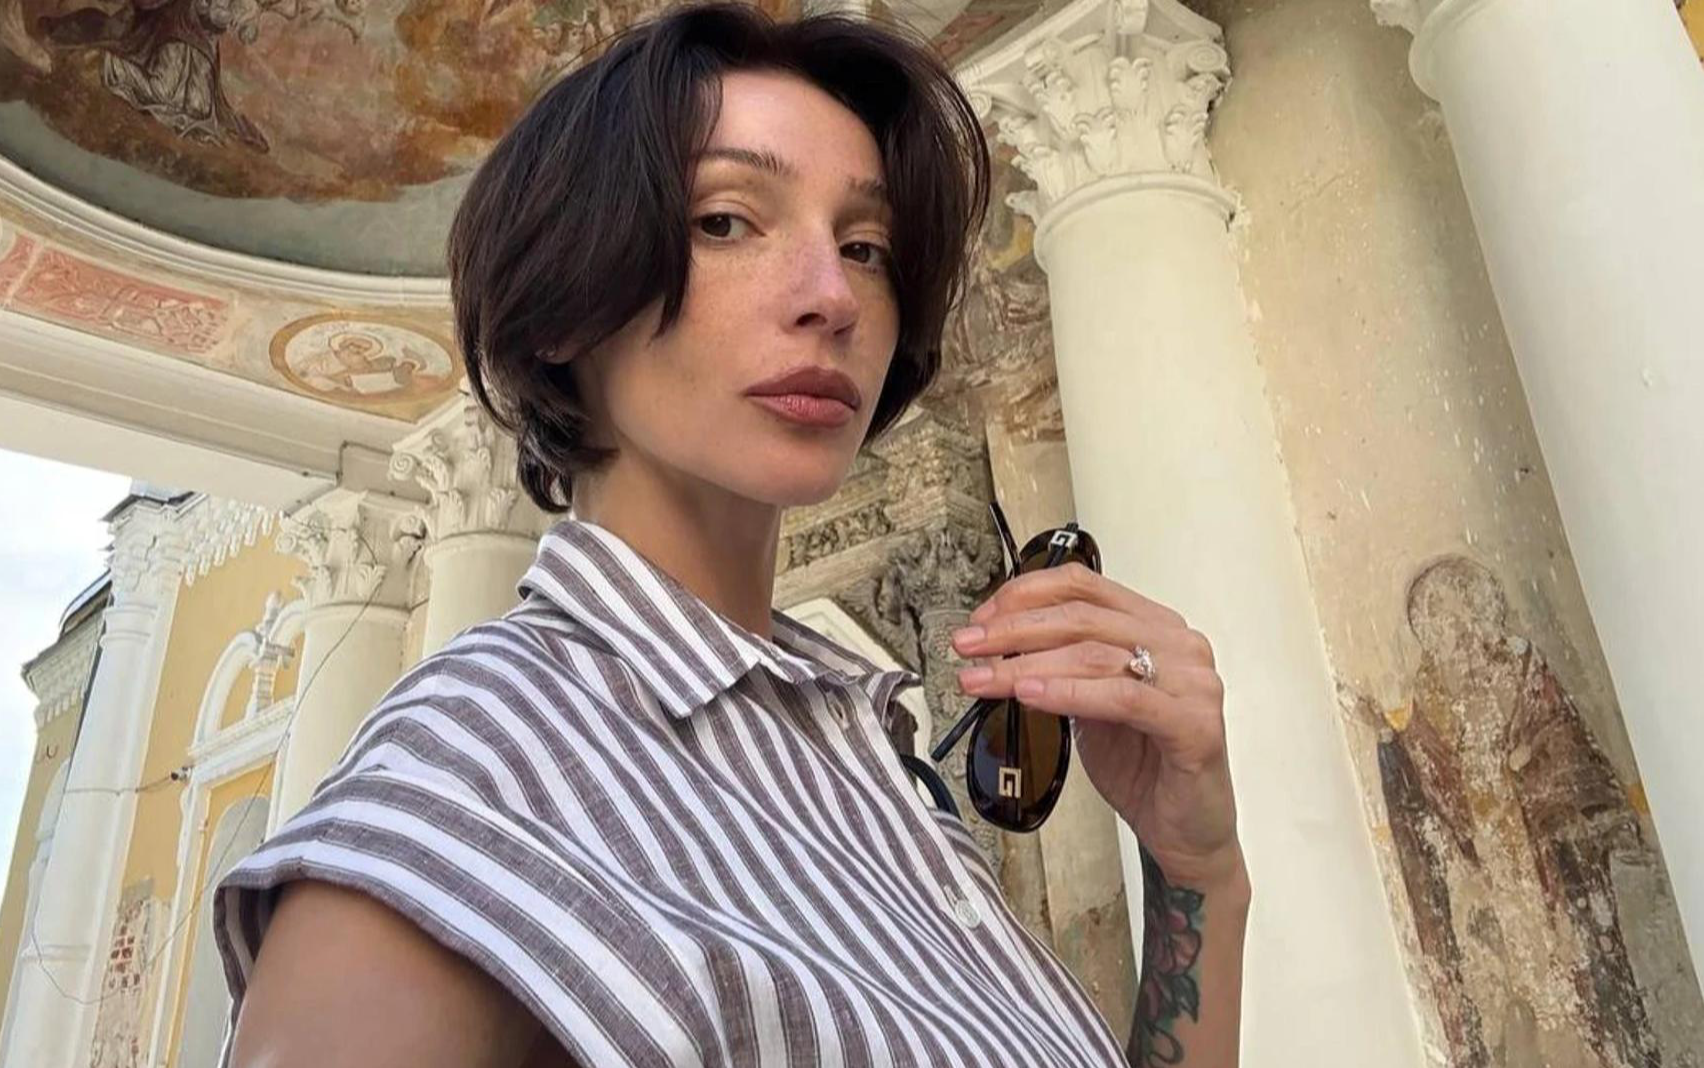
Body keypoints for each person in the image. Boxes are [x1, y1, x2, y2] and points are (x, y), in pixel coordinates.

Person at [212, 4, 1249, 1066]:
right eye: (725, 221)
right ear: (565, 302)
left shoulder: (881, 781)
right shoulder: (474, 775)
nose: (834, 296)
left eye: (866, 246)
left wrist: (1195, 874)